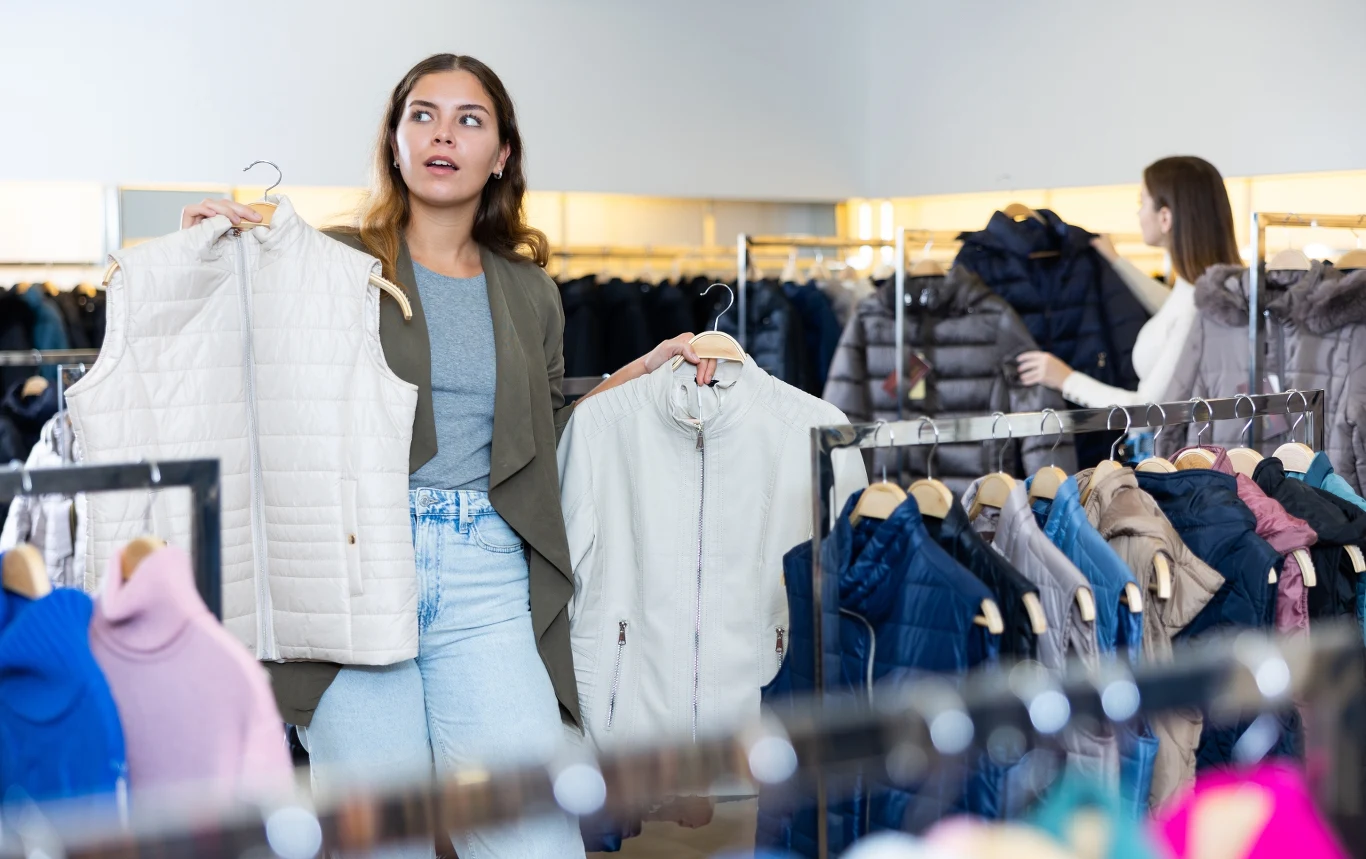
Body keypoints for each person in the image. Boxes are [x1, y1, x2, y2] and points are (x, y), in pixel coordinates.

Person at [181, 53, 716, 858]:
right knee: (382, 837)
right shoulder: (327, 259)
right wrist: (209, 262)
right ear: (394, 142)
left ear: (501, 154)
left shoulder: (529, 290)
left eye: (470, 120)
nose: (444, 135)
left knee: (533, 835)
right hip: (359, 572)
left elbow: (545, 431)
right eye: (422, 115)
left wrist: (640, 372)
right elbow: (234, 367)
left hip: (486, 577)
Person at [1016, 156, 1242, 407]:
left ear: (1165, 217)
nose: (1138, 212)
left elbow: (1148, 410)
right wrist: (1117, 262)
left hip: (1161, 445)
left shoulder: (1196, 308)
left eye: (1142, 202)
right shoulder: (1209, 294)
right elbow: (1170, 304)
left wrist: (1065, 379)